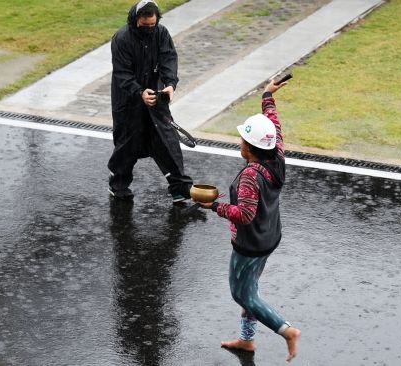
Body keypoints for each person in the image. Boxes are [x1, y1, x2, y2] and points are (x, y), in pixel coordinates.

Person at [194, 79, 302, 362]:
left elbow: (244, 215)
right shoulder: (277, 155)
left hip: (250, 245)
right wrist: (267, 95)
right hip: (270, 237)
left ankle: (287, 330)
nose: (240, 142)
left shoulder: (250, 177)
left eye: (243, 140)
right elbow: (274, 124)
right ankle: (246, 340)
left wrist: (214, 206)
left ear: (250, 148)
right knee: (251, 289)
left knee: (243, 295)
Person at [107, 0, 192, 202]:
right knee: (127, 143)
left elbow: (169, 59)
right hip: (128, 101)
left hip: (156, 97)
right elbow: (122, 73)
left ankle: (180, 187)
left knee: (167, 141)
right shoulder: (121, 39)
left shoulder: (161, 33)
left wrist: (170, 84)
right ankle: (118, 184)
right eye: (144, 26)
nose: (148, 29)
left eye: (151, 26)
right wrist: (139, 92)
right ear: (135, 20)